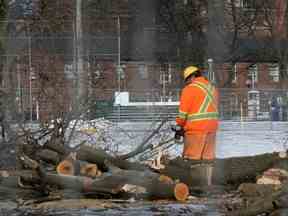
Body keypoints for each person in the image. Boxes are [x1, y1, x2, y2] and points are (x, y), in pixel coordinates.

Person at [174, 66, 219, 184]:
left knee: (192, 159)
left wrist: (179, 125)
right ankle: (207, 185)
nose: (187, 82)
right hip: (212, 129)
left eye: (187, 79)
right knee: (208, 160)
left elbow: (183, 113)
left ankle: (193, 186)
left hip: (196, 130)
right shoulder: (212, 88)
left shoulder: (189, 89)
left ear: (192, 76)